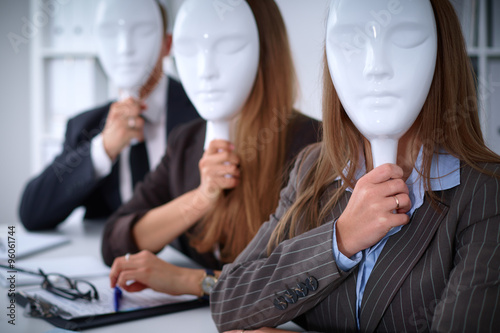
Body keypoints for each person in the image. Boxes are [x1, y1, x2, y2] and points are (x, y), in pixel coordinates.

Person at [211, 0, 500, 332]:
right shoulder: (312, 168)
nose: (375, 66)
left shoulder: (486, 191)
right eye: (350, 42)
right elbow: (229, 303)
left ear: (441, 57)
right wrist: (339, 241)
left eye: (404, 38)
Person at [101, 0, 321, 301]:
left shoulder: (314, 146)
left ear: (265, 53)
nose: (206, 71)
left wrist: (189, 280)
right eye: (190, 49)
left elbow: (302, 284)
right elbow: (114, 242)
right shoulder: (186, 142)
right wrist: (200, 198)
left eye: (228, 47)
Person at [18, 0, 199, 231]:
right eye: (112, 34)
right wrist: (102, 149)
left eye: (143, 32)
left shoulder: (201, 112)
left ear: (167, 44)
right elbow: (32, 213)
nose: (125, 47)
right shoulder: (86, 126)